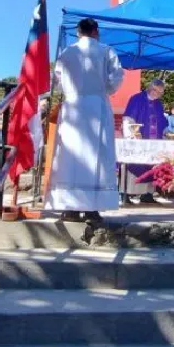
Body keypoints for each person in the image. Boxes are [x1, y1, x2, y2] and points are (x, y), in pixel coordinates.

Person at [44, 18, 124, 223]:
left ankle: (69, 207)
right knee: (94, 154)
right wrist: (101, 91)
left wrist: (72, 92)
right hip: (96, 107)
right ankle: (91, 207)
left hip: (72, 107)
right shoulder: (106, 51)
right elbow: (116, 78)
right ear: (96, 31)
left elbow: (57, 80)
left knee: (70, 155)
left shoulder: (67, 53)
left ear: (78, 32)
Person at [122, 79, 167, 202]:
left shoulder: (158, 103)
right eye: (156, 91)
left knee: (151, 166)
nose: (157, 94)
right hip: (138, 139)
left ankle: (148, 194)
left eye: (160, 93)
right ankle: (129, 193)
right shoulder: (136, 99)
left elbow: (162, 121)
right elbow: (128, 118)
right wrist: (131, 134)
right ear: (151, 88)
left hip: (154, 142)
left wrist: (165, 133)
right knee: (136, 163)